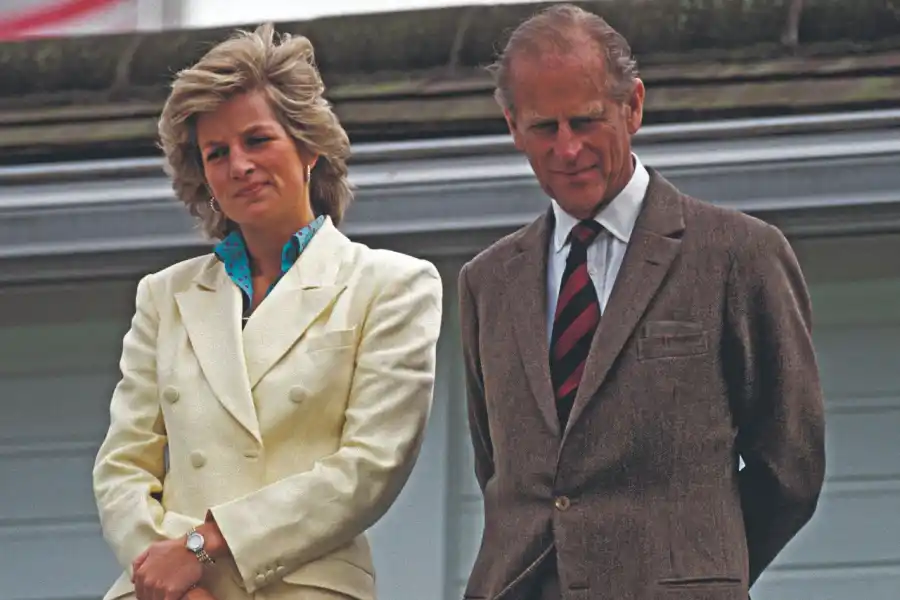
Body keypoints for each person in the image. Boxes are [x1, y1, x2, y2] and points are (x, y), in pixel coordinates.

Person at [457, 5, 825, 599]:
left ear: (633, 106)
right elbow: (499, 470)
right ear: (511, 125)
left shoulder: (739, 255)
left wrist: (700, 572)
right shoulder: (486, 281)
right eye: (544, 128)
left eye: (586, 120)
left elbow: (792, 469)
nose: (568, 148)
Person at [92, 23, 443, 600]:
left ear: (309, 148)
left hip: (304, 585)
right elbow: (122, 466)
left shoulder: (392, 285)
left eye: (258, 140)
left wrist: (202, 546)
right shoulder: (163, 295)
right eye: (217, 153)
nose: (239, 165)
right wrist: (171, 578)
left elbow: (371, 466)